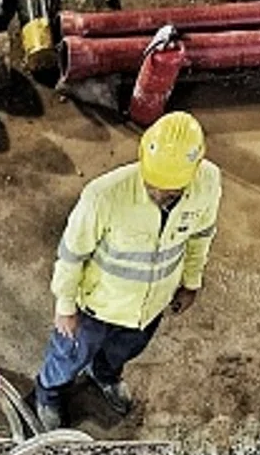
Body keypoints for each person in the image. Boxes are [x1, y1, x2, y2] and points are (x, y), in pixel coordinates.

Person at [33, 110, 221, 431]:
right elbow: (72, 255)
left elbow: (201, 236)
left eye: (170, 191)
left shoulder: (208, 183)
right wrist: (65, 306)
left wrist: (191, 282)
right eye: (152, 185)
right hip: (96, 306)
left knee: (125, 350)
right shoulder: (103, 196)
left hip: (149, 307)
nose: (158, 195)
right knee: (68, 356)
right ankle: (48, 394)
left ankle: (104, 375)